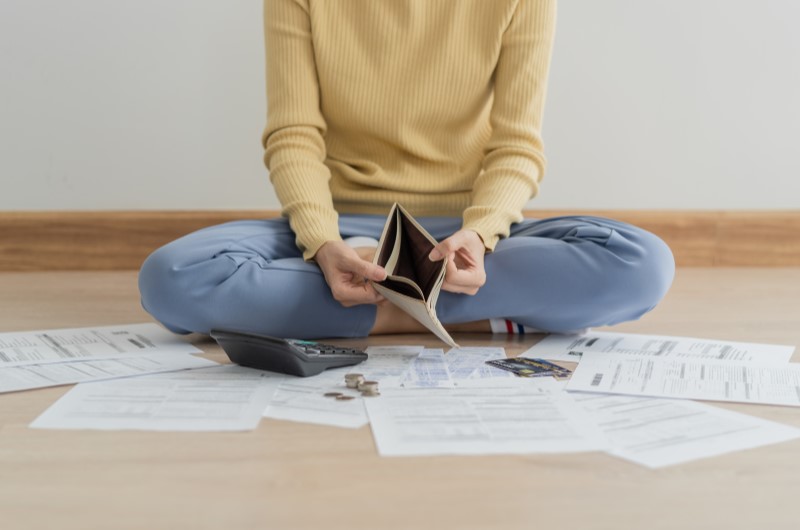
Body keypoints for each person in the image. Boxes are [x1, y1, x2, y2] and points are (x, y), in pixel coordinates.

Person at [138, 0, 675, 340]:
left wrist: (481, 237)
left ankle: (375, 309)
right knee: (171, 278)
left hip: (462, 236)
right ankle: (451, 311)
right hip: (342, 232)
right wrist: (325, 244)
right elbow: (294, 137)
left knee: (643, 264)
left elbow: (517, 145)